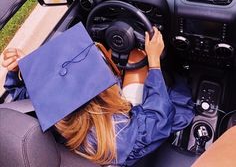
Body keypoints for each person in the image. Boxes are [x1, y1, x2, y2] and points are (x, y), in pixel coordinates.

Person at [1, 26, 194, 166]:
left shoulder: (54, 118)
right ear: (106, 90)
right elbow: (159, 119)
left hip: (93, 141)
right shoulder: (120, 135)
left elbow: (24, 99)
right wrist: (154, 61)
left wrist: (24, 72)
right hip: (130, 147)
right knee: (136, 56)